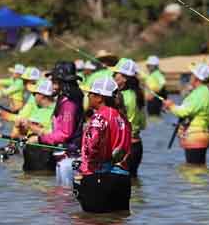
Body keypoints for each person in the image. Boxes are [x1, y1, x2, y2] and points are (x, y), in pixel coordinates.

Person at [73, 76, 133, 213]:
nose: (88, 96)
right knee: (118, 224)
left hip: (100, 178)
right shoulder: (122, 117)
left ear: (99, 97)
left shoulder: (99, 117)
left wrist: (86, 163)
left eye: (91, 94)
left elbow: (92, 147)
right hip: (122, 178)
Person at [27, 62, 85, 182]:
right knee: (60, 197)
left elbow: (65, 133)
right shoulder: (64, 99)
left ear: (63, 82)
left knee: (66, 197)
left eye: (54, 81)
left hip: (69, 159)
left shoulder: (69, 103)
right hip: (64, 157)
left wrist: (40, 139)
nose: (52, 85)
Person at [164, 62, 209, 165]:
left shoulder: (200, 93)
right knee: (198, 170)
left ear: (196, 77)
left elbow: (184, 112)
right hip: (200, 135)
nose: (190, 76)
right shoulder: (204, 91)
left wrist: (171, 106)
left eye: (192, 74)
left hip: (195, 137)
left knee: (193, 172)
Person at [112, 58, 146, 177]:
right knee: (133, 184)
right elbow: (143, 124)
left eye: (116, 74)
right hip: (137, 145)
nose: (113, 76)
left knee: (120, 186)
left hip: (123, 147)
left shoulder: (121, 97)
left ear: (125, 78)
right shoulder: (138, 94)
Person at [19, 79, 58, 172]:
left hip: (44, 156)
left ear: (41, 96)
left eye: (34, 94)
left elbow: (53, 135)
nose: (33, 97)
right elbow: (24, 132)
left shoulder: (56, 111)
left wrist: (31, 126)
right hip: (30, 155)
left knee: (41, 182)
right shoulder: (37, 109)